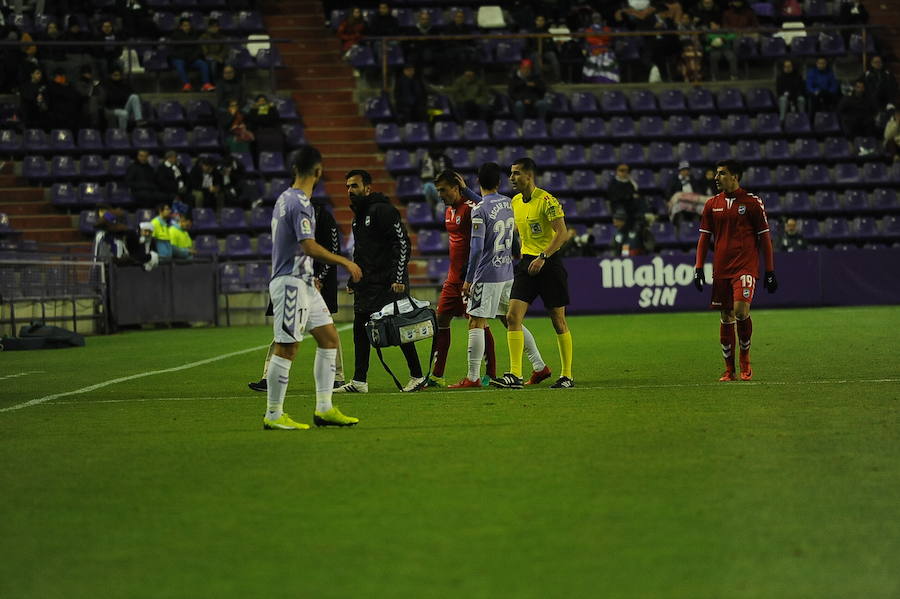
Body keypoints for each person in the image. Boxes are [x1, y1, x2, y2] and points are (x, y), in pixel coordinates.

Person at [261, 145, 363, 430]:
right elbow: (308, 245)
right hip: (291, 284)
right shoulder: (299, 203)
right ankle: (273, 413)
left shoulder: (284, 199)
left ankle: (324, 408)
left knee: (330, 339)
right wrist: (344, 261)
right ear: (318, 171)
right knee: (287, 347)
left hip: (304, 281)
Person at [334, 169, 426, 394]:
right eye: (347, 187)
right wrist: (353, 279)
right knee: (360, 330)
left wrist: (397, 277)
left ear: (367, 188)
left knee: (399, 329)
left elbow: (402, 243)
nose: (350, 191)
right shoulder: (358, 218)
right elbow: (361, 253)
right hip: (368, 284)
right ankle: (359, 381)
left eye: (354, 186)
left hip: (388, 283)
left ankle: (417, 376)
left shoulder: (383, 211)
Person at [249, 194, 346, 392]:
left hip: (314, 283)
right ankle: (269, 378)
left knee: (324, 331)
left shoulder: (322, 217)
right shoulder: (294, 213)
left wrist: (320, 277)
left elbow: (332, 249)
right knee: (288, 329)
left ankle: (336, 377)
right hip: (294, 279)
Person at [693, 160, 777, 382]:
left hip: (745, 267)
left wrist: (769, 271)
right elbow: (704, 238)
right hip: (721, 269)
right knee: (726, 315)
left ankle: (745, 360)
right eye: (717, 174)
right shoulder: (711, 204)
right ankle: (729, 369)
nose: (716, 177)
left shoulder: (752, 203)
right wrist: (698, 266)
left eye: (722, 174)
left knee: (740, 311)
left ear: (735, 176)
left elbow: (765, 238)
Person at [494, 157, 574, 389]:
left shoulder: (547, 200)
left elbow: (562, 233)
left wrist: (543, 256)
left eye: (516, 173)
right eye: (511, 174)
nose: (511, 178)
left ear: (529, 176)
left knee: (558, 321)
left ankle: (567, 375)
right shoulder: (515, 202)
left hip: (549, 264)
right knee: (512, 317)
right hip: (527, 264)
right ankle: (515, 374)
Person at [424, 170, 498, 388]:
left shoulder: (472, 208)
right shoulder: (449, 210)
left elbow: (487, 210)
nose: (440, 194)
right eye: (438, 190)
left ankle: (490, 373)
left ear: (456, 188)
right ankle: (437, 376)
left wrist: (472, 275)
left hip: (470, 277)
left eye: (443, 190)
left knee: (478, 323)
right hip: (452, 278)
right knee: (441, 320)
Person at [169, 18, 215, 92]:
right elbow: (173, 51)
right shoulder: (175, 36)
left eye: (188, 25)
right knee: (179, 64)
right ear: (180, 27)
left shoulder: (194, 34)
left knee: (203, 64)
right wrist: (183, 57)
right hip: (180, 58)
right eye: (185, 25)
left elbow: (198, 48)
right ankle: (187, 84)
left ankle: (206, 84)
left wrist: (194, 57)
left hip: (192, 59)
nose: (187, 27)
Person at [667, 160, 706, 225]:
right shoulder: (674, 180)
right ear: (680, 170)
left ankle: (697, 228)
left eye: (687, 170)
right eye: (683, 170)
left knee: (703, 209)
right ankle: (679, 228)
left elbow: (699, 191)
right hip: (680, 202)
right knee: (677, 211)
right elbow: (668, 192)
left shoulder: (693, 179)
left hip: (693, 202)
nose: (686, 172)